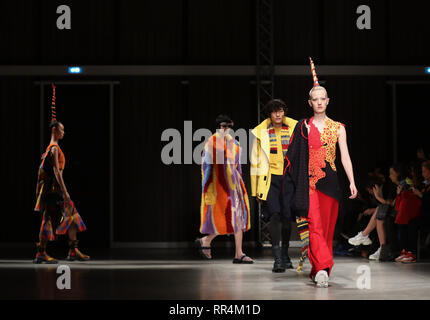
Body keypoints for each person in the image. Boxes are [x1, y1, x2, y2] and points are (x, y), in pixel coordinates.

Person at [286, 58, 357, 287]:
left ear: (328, 101)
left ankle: (320, 267)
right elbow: (293, 157)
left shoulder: (338, 128)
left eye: (322, 99)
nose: (319, 102)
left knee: (326, 229)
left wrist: (352, 182)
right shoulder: (303, 126)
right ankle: (323, 269)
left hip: (332, 183)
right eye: (314, 99)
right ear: (310, 102)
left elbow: (345, 156)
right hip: (310, 184)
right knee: (315, 225)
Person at [34, 84, 89, 263]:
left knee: (68, 215)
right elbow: (57, 173)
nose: (64, 132)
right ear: (55, 130)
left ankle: (72, 251)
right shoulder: (54, 149)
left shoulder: (50, 148)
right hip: (55, 192)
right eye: (62, 129)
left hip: (53, 191)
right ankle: (42, 253)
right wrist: (65, 192)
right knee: (51, 218)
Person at [196, 114, 253, 264]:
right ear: (217, 127)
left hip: (234, 186)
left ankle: (238, 253)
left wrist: (240, 185)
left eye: (228, 126)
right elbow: (206, 168)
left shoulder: (235, 144)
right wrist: (207, 189)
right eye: (223, 126)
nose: (226, 129)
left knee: (238, 218)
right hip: (219, 187)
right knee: (223, 218)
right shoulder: (211, 144)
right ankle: (206, 240)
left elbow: (238, 167)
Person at [250, 99, 297, 272]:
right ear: (269, 114)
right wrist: (256, 190)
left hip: (289, 179)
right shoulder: (261, 132)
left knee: (286, 218)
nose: (278, 114)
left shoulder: (294, 128)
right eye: (274, 111)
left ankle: (285, 255)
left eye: (281, 110)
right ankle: (277, 258)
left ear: (284, 112)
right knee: (273, 217)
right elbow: (255, 162)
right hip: (269, 180)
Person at [349, 164, 405, 261]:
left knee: (380, 209)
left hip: (402, 212)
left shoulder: (403, 184)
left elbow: (392, 204)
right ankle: (380, 247)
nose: (389, 176)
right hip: (394, 211)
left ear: (398, 173)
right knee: (380, 213)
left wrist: (378, 196)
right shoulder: (394, 186)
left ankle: (365, 235)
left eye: (392, 173)